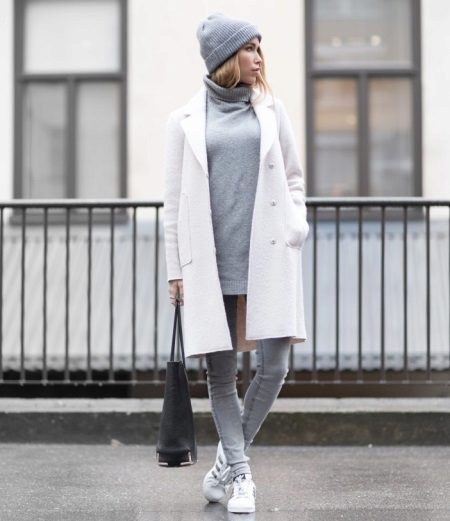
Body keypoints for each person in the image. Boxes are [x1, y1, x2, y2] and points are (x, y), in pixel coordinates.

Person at [162, 12, 309, 514]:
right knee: (221, 377)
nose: (258, 57)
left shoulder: (271, 111)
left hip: (269, 256)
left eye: (260, 47)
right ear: (225, 57)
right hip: (211, 262)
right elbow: (173, 204)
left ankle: (228, 460)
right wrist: (175, 269)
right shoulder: (184, 121)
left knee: (275, 366)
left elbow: (294, 178)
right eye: (249, 48)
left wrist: (295, 226)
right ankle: (242, 476)